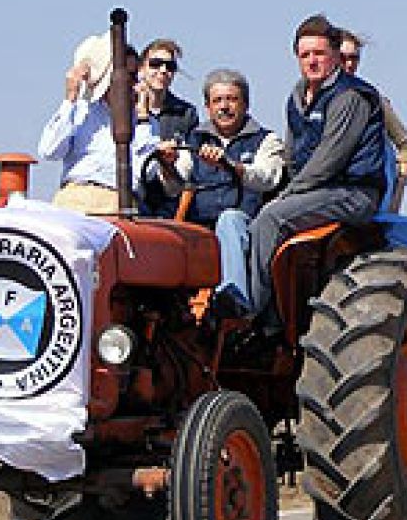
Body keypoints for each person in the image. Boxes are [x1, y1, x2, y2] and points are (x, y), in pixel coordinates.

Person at [247, 14, 386, 328]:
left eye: (319, 54)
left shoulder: (351, 97)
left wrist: (286, 196)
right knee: (239, 214)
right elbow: (292, 156)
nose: (312, 61)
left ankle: (252, 315)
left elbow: (328, 160)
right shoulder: (297, 97)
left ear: (336, 56)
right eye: (305, 54)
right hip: (315, 191)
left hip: (351, 192)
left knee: (271, 218)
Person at [158, 69, 286, 313]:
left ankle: (233, 299)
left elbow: (268, 178)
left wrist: (232, 166)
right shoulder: (193, 140)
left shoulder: (265, 140)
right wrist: (166, 163)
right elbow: (174, 185)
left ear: (245, 104)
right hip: (199, 228)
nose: (224, 107)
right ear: (207, 107)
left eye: (232, 99)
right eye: (217, 101)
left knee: (229, 220)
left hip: (246, 226)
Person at [38, 33, 158, 214]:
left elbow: (146, 171)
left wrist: (142, 116)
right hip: (75, 197)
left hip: (117, 202)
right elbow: (49, 151)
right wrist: (70, 99)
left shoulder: (146, 124)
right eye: (129, 76)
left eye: (135, 77)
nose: (134, 83)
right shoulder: (80, 111)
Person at [339, 28, 407, 210]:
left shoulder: (372, 99)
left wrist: (397, 193)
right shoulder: (312, 99)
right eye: (344, 58)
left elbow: (405, 145)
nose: (349, 64)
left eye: (354, 58)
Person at [138, 39, 199, 216]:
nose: (163, 71)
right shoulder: (125, 111)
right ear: (142, 68)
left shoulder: (186, 114)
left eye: (170, 66)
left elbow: (188, 168)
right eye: (156, 64)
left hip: (171, 203)